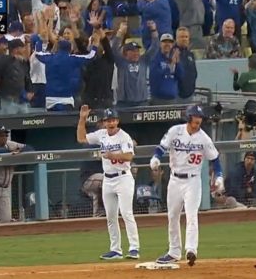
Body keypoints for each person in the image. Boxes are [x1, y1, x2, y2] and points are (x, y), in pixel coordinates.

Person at [150, 104, 224, 266]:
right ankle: (174, 252)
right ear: (188, 119)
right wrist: (156, 157)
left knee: (191, 215)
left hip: (193, 180)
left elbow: (215, 159)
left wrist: (219, 177)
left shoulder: (203, 138)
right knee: (173, 216)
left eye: (199, 122)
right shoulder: (175, 131)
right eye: (195, 122)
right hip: (175, 179)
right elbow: (161, 147)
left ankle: (191, 250)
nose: (197, 125)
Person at [77, 106, 140, 260]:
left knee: (126, 214)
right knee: (111, 216)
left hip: (123, 177)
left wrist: (112, 154)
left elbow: (129, 156)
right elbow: (81, 139)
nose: (111, 123)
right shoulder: (102, 134)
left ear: (117, 121)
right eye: (108, 120)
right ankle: (115, 249)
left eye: (113, 120)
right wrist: (82, 119)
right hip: (108, 179)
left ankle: (134, 248)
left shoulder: (124, 136)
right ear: (104, 122)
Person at [0, 126, 30, 224]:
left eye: (6, 135)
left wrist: (19, 152)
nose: (4, 137)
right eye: (1, 135)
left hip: (6, 188)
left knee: (6, 219)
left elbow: (30, 148)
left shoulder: (10, 144)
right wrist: (13, 153)